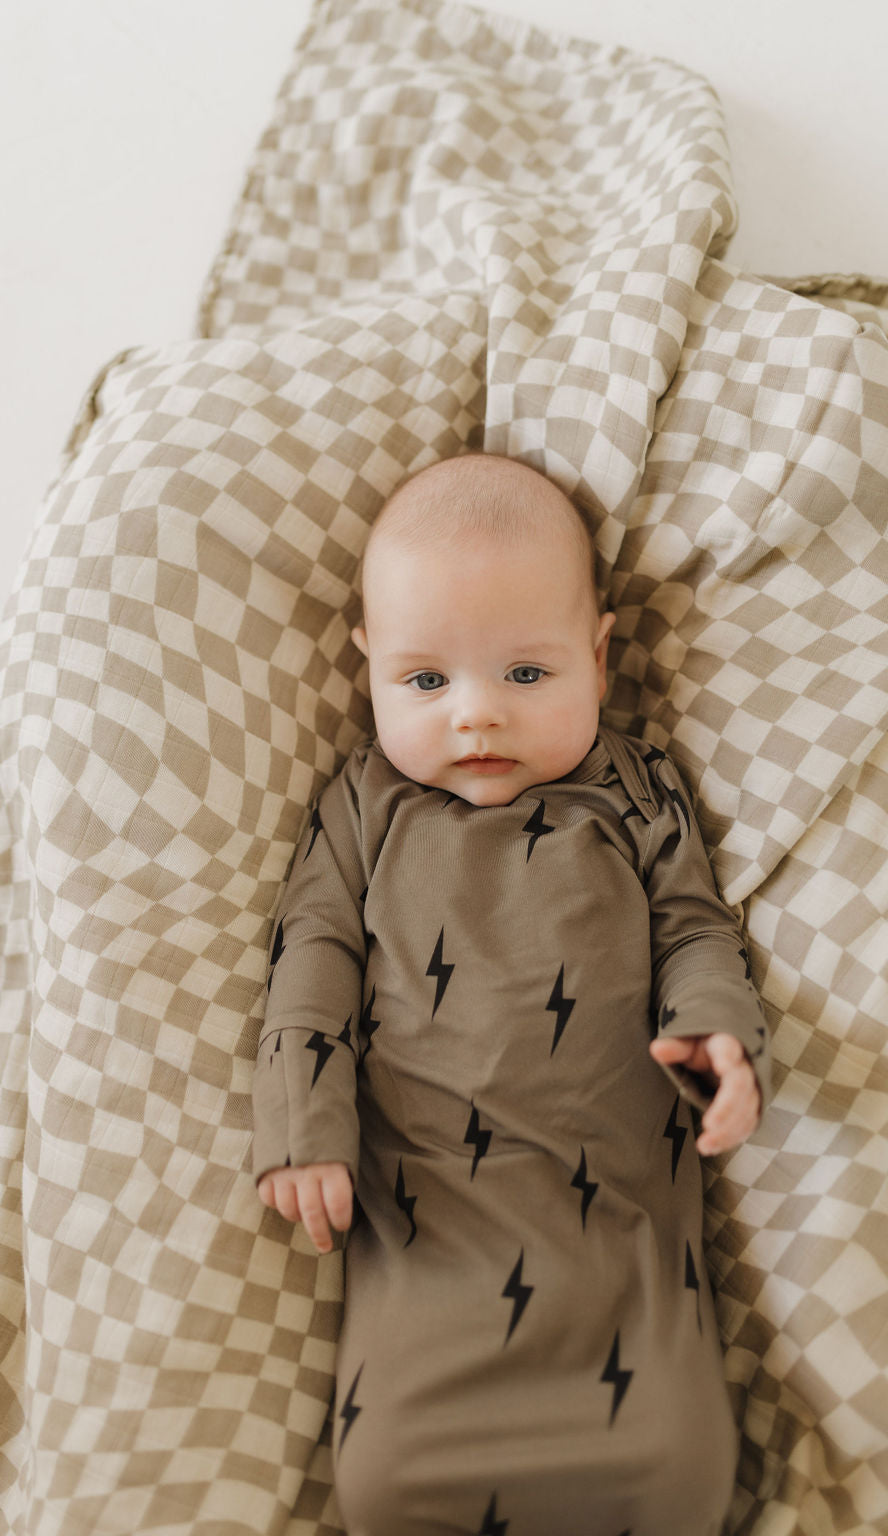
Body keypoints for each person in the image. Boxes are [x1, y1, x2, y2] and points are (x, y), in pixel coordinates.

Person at [252, 453, 770, 1536]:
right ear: (368, 667)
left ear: (596, 654)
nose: (475, 717)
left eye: (525, 676)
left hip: (614, 1239)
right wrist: (303, 1120)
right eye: (426, 681)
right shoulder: (365, 806)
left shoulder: (632, 790)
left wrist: (716, 1030)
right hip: (431, 1232)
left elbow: (692, 927)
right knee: (387, 1477)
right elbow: (312, 955)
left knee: (675, 1473)